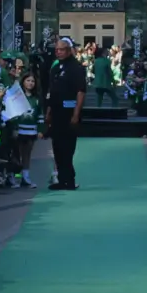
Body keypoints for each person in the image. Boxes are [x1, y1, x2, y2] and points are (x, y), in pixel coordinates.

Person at [45, 37, 87, 190]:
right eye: (56, 50)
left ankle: (69, 180)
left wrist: (76, 114)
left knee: (67, 147)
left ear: (69, 51)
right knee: (57, 147)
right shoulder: (56, 67)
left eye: (61, 49)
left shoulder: (76, 68)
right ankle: (62, 179)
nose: (58, 52)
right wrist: (48, 112)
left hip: (69, 112)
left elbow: (81, 92)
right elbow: (52, 91)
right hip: (56, 111)